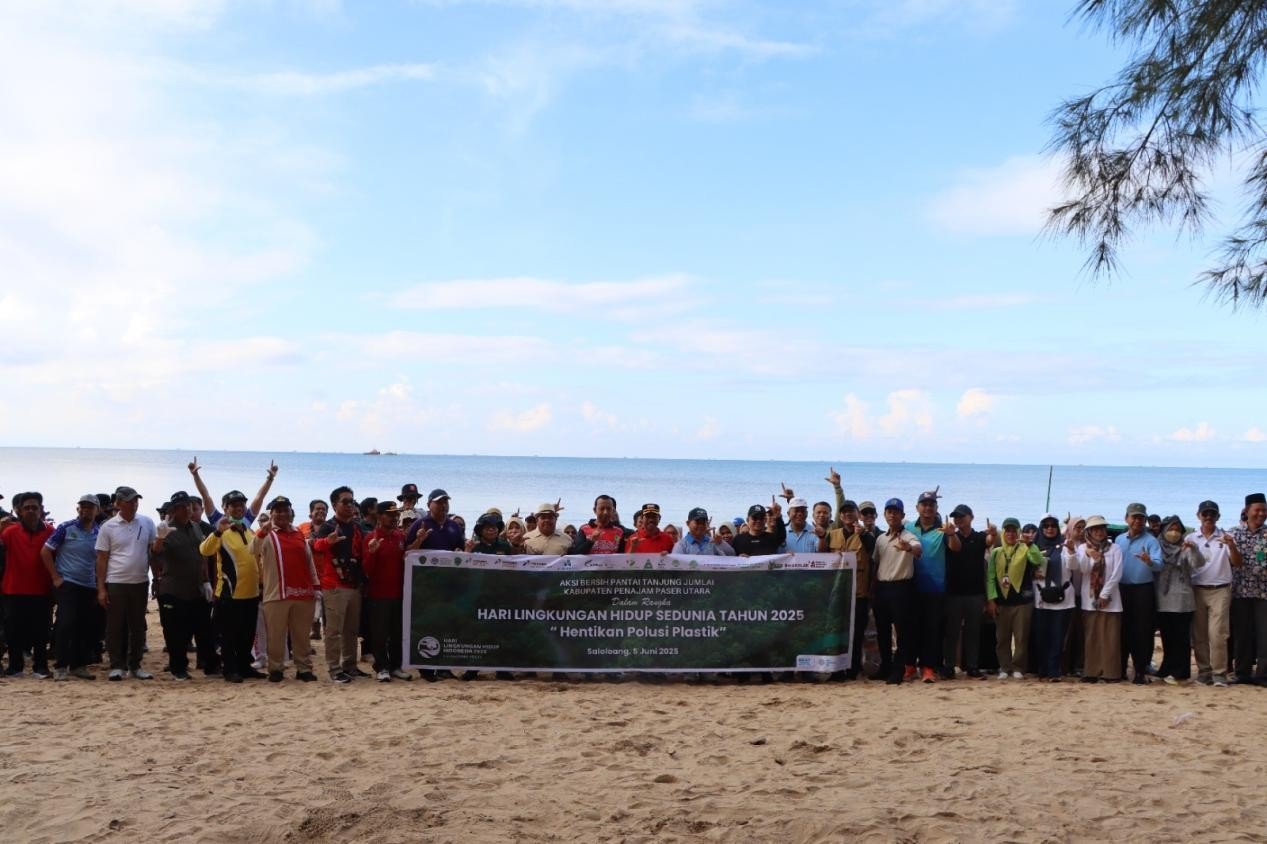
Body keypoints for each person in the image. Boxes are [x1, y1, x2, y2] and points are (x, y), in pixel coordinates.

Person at [251, 497, 320, 683]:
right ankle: (276, 669)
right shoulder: (266, 534)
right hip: (276, 593)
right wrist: (261, 533)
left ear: (291, 512)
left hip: (303, 593)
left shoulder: (299, 534)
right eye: (277, 511)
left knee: (302, 635)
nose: (281, 514)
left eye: (285, 510)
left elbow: (309, 562)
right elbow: (252, 550)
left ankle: (304, 668)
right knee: (276, 636)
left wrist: (316, 586)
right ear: (271, 514)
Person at [94, 487, 158, 681]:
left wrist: (156, 578)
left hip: (140, 582)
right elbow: (102, 559)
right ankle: (116, 665)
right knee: (115, 626)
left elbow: (153, 552)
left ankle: (135, 665)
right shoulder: (108, 526)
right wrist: (101, 588)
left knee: (138, 626)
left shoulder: (146, 522)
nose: (134, 504)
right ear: (118, 503)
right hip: (116, 582)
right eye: (129, 501)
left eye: (136, 500)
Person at [151, 491, 214, 680]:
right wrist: (160, 538)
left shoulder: (196, 527)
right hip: (174, 590)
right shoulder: (166, 529)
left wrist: (206, 581)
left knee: (204, 629)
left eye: (188, 506)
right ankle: (178, 668)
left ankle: (210, 665)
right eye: (181, 507)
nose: (186, 509)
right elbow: (155, 554)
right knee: (176, 633)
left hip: (196, 588)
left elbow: (201, 555)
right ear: (174, 510)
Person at [201, 499, 265, 684]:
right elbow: (204, 550)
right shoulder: (222, 530)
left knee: (247, 634)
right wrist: (217, 532)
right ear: (226, 509)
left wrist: (261, 583)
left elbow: (256, 560)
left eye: (241, 506)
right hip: (230, 593)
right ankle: (230, 669)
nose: (238, 508)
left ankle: (245, 667)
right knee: (229, 635)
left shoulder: (249, 530)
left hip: (251, 593)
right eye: (234, 506)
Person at [41, 494, 101, 680]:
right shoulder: (66, 528)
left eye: (90, 507)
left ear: (97, 510)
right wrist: (55, 577)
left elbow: (102, 559)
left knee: (84, 626)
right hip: (67, 583)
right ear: (78, 509)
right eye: (82, 507)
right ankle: (61, 665)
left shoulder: (99, 532)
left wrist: (100, 585)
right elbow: (45, 551)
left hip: (89, 584)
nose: (86, 510)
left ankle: (78, 665)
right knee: (66, 623)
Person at [312, 486, 367, 683]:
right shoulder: (328, 527)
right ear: (335, 505)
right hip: (334, 585)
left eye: (352, 501)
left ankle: (350, 665)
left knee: (351, 630)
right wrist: (328, 541)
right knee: (333, 631)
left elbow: (363, 552)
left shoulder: (357, 527)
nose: (350, 505)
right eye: (345, 501)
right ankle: (334, 669)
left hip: (354, 586)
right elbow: (315, 545)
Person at [906, 488, 958, 682]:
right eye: (924, 504)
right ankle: (910, 666)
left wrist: (952, 534)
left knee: (932, 630)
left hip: (936, 588)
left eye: (931, 505)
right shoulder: (909, 527)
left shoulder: (942, 529)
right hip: (911, 585)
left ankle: (928, 668)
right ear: (917, 507)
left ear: (936, 508)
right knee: (911, 629)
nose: (927, 508)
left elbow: (955, 548)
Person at [0, 492, 54, 678]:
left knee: (41, 631)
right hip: (13, 589)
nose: (31, 511)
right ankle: (15, 667)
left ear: (41, 510)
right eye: (27, 508)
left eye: (35, 507)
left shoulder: (50, 532)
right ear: (20, 511)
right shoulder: (9, 532)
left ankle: (41, 667)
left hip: (41, 590)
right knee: (13, 631)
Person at [1065, 515, 1124, 682]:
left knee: (1110, 638)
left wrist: (1105, 594)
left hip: (1112, 600)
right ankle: (1091, 671)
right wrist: (1089, 557)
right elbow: (1081, 569)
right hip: (1089, 599)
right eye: (1095, 529)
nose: (1099, 532)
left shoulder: (1115, 548)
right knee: (1092, 637)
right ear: (1089, 532)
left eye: (1102, 528)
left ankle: (1111, 673)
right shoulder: (1083, 548)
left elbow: (1116, 573)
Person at [986, 517, 1044, 680]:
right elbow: (990, 578)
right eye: (1008, 531)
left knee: (1021, 637)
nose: (1011, 534)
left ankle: (1018, 667)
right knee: (1002, 638)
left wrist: (1030, 544)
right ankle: (1004, 667)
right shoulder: (997, 552)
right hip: (1002, 602)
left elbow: (1038, 560)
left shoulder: (1026, 549)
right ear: (1003, 533)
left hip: (1023, 602)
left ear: (1018, 532)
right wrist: (991, 599)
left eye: (1014, 530)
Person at [819, 500, 871, 679]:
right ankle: (836, 670)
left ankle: (853, 669)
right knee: (837, 632)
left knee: (856, 635)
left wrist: (863, 535)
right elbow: (820, 558)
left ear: (858, 514)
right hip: (837, 593)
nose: (848, 514)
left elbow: (874, 555)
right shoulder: (831, 535)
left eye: (851, 511)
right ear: (840, 516)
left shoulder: (866, 534)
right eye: (844, 512)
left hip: (860, 593)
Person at [871, 498, 919, 685]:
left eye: (896, 512)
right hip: (882, 588)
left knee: (902, 632)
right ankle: (885, 666)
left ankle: (898, 670)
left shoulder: (908, 536)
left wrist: (908, 548)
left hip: (902, 588)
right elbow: (876, 563)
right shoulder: (880, 539)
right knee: (882, 631)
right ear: (884, 515)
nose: (892, 514)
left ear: (902, 515)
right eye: (889, 511)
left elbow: (917, 549)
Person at [1115, 502, 1164, 684]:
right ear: (1126, 518)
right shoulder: (1119, 539)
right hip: (1121, 589)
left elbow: (1159, 565)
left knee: (1142, 632)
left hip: (1143, 590)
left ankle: (1140, 671)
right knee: (1122, 630)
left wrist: (1149, 561)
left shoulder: (1151, 541)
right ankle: (1120, 669)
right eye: (1134, 517)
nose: (1138, 521)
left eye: (1141, 518)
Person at [364, 502, 412, 682]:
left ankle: (396, 666)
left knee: (397, 632)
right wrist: (372, 552)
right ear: (379, 516)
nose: (394, 517)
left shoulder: (400, 536)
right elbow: (367, 570)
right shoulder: (371, 537)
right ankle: (381, 667)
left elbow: (406, 560)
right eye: (390, 514)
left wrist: (417, 542)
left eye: (396, 514)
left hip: (399, 593)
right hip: (378, 594)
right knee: (379, 634)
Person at [1187, 500, 1233, 686]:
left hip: (1220, 589)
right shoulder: (1190, 538)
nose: (1208, 517)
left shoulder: (1226, 537)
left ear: (1218, 517)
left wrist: (1233, 546)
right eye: (1205, 514)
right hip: (1197, 589)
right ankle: (1204, 671)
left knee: (1218, 633)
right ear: (1198, 515)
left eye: (1212, 514)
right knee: (1199, 635)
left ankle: (1219, 673)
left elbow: (1237, 562)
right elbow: (1185, 564)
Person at [1154, 515, 1204, 684]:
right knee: (1167, 637)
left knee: (1181, 639)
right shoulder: (1157, 546)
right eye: (1171, 529)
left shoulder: (1186, 546)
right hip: (1162, 598)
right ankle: (1166, 668)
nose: (1174, 532)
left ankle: (1180, 673)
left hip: (1182, 599)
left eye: (1177, 529)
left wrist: (1194, 549)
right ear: (1164, 530)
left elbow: (1197, 564)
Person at [943, 504, 990, 679]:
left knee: (973, 631)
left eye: (962, 516)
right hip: (954, 592)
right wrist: (951, 533)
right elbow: (955, 547)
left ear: (971, 517)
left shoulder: (979, 537)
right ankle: (949, 665)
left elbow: (991, 541)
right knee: (951, 632)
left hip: (975, 593)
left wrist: (994, 532)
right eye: (956, 517)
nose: (958, 519)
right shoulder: (949, 536)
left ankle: (972, 666)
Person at [1227, 492, 1267, 685]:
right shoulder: (1234, 533)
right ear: (1247, 511)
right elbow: (1233, 562)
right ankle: (1242, 673)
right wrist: (1232, 548)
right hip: (1240, 591)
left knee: (1264, 634)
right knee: (1242, 634)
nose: (1261, 514)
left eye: (1264, 510)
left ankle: (1263, 675)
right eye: (1257, 510)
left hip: (1264, 592)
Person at [1032, 514, 1076, 682]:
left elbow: (1073, 567)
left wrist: (1072, 551)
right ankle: (1042, 669)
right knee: (1041, 636)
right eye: (1046, 526)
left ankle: (1054, 670)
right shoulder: (1034, 548)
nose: (1050, 528)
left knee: (1057, 637)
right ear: (1041, 529)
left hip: (1062, 599)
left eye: (1053, 526)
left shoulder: (1065, 547)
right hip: (1041, 598)